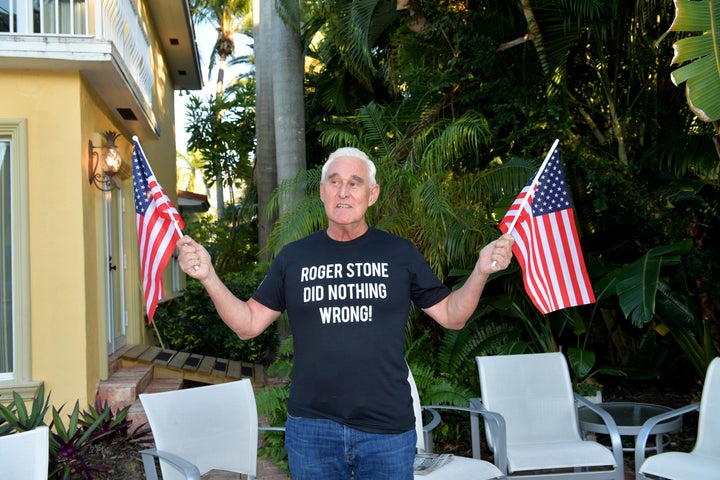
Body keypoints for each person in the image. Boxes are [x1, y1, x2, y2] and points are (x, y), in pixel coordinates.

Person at [178, 147, 514, 480]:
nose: (343, 191)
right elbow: (248, 324)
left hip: (387, 429)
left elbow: (452, 316)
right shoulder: (294, 257)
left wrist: (481, 271)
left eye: (355, 183)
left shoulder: (400, 253)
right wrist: (209, 277)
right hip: (312, 429)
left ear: (372, 194)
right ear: (323, 192)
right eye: (334, 182)